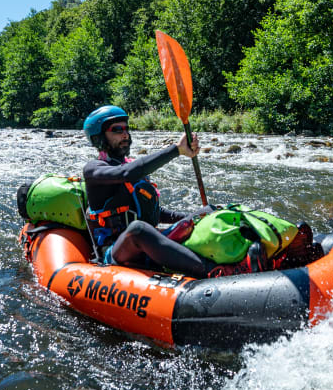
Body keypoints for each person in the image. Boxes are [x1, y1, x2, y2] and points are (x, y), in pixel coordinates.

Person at [82, 105, 266, 278]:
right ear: (99, 138)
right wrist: (177, 150)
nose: (125, 134)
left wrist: (196, 217)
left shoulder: (131, 166)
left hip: (149, 242)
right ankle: (215, 272)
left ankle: (253, 249)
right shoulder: (94, 169)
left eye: (126, 129)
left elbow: (156, 213)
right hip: (116, 250)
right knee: (138, 229)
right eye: (117, 129)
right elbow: (126, 174)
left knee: (209, 210)